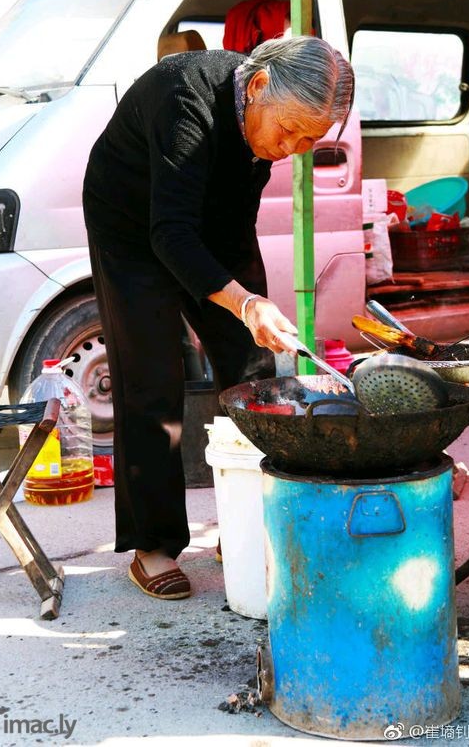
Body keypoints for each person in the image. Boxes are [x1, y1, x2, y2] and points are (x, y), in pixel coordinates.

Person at [82, 36, 354, 600]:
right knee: (152, 376)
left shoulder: (264, 118)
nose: (294, 149)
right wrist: (245, 300)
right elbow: (169, 232)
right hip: (133, 225)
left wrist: (248, 307)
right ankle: (152, 544)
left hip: (210, 220)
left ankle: (243, 518)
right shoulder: (186, 101)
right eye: (289, 131)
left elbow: (231, 221)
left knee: (253, 366)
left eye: (311, 139)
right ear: (257, 87)